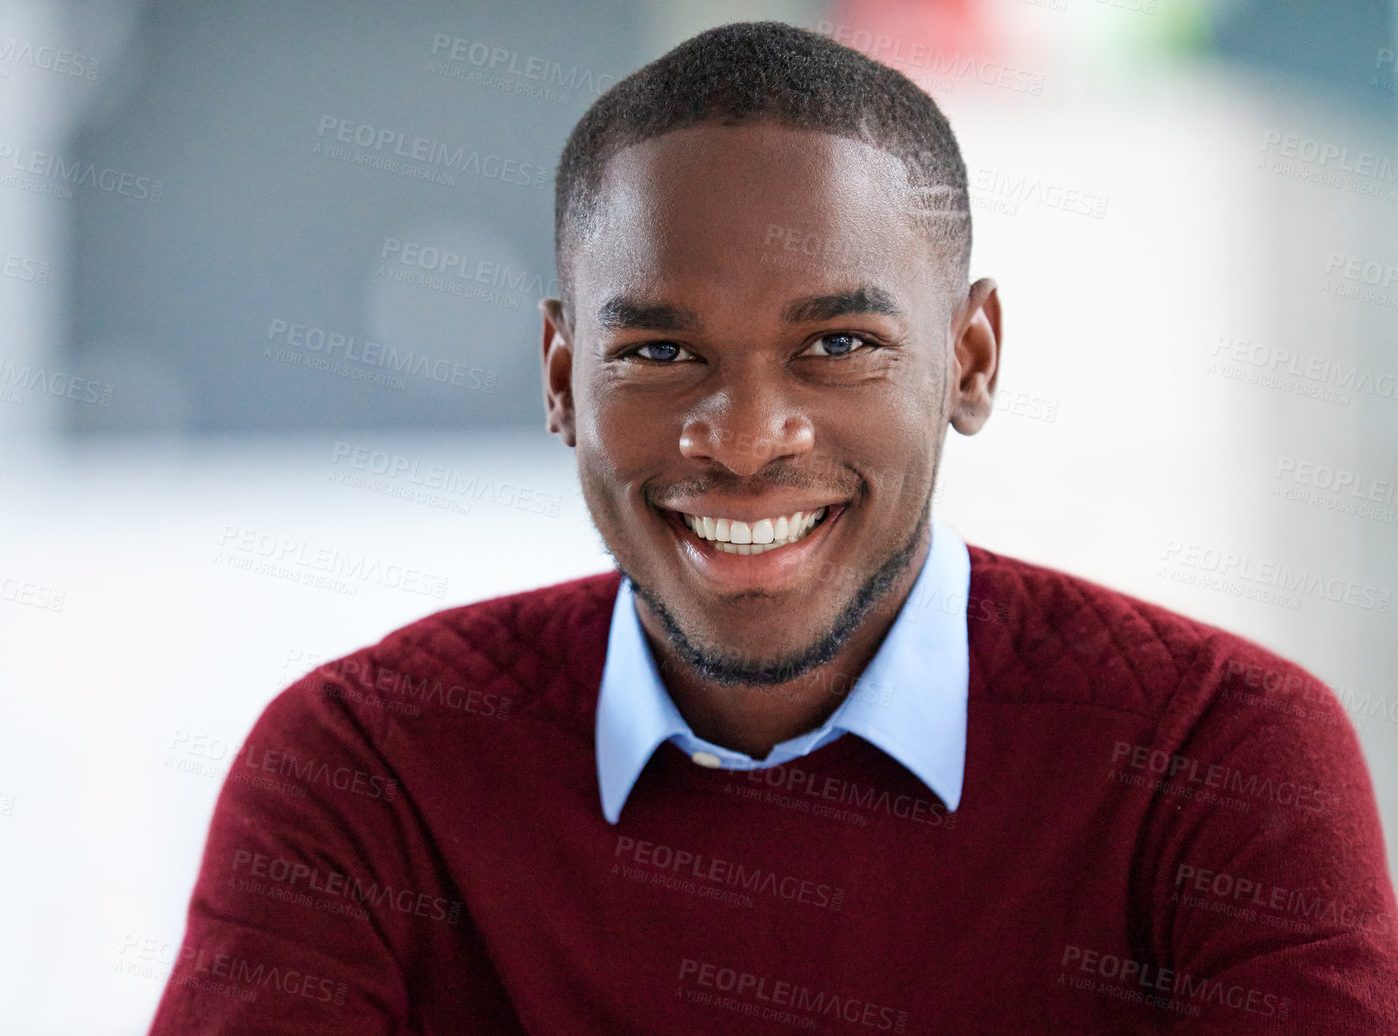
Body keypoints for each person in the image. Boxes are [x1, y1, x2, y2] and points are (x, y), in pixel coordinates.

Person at [149, 21, 1398, 1034]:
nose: (744, 438)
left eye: (839, 345)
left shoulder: (1219, 761)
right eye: (657, 352)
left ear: (971, 360)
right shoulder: (366, 774)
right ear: (558, 377)